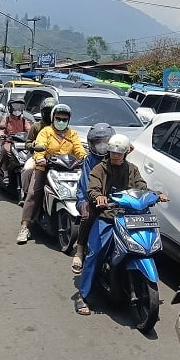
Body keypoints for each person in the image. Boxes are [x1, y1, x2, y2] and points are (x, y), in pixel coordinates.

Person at [75, 134, 168, 315]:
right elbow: (93, 188)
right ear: (109, 151)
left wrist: (155, 195)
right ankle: (84, 295)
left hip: (131, 217)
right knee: (95, 252)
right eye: (113, 152)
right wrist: (98, 197)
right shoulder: (99, 169)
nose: (116, 156)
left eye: (120, 153)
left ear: (126, 152)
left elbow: (141, 187)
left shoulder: (132, 169)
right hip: (108, 216)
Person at [18, 103, 86, 244]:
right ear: (53, 118)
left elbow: (79, 150)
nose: (61, 121)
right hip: (45, 168)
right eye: (58, 118)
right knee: (33, 194)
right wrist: (40, 158)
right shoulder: (46, 131)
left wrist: (85, 158)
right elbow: (39, 147)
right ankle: (25, 227)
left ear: (68, 120)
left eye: (64, 119)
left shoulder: (72, 134)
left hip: (68, 170)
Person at [72, 122, 115, 274]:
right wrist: (96, 197)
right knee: (88, 214)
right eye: (98, 143)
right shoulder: (89, 161)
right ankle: (80, 250)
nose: (102, 147)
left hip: (112, 200)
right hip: (87, 198)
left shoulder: (117, 158)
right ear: (92, 144)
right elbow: (86, 186)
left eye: (105, 143)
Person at [19, 97, 57, 206]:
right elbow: (27, 144)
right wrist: (34, 145)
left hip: (56, 159)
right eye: (46, 111)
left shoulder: (60, 126)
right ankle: (26, 194)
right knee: (27, 170)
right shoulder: (36, 126)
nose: (49, 114)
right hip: (36, 157)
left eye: (51, 111)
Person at [0, 99, 30, 184]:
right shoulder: (6, 120)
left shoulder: (23, 120)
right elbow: (0, 130)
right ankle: (6, 173)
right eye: (15, 108)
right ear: (10, 109)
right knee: (5, 150)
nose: (17, 111)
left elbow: (29, 130)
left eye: (19, 108)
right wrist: (1, 134)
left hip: (21, 144)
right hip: (9, 142)